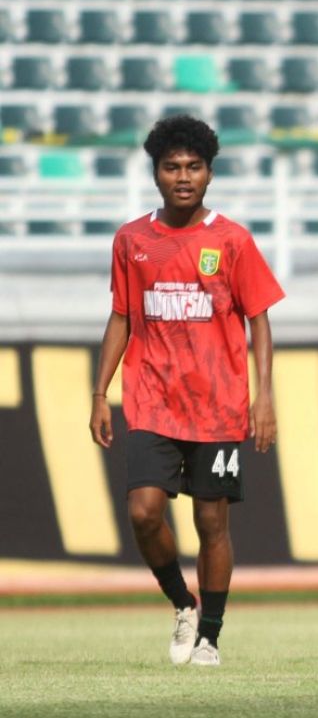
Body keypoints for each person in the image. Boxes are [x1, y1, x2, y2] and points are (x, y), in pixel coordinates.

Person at [89, 115, 284, 667]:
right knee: (144, 513)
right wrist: (100, 392)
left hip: (218, 406)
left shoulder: (232, 239)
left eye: (193, 167)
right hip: (151, 399)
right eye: (171, 167)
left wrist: (263, 396)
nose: (182, 176)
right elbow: (121, 317)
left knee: (211, 522)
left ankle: (211, 637)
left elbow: (260, 320)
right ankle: (182, 604)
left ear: (209, 173)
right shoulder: (132, 239)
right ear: (155, 173)